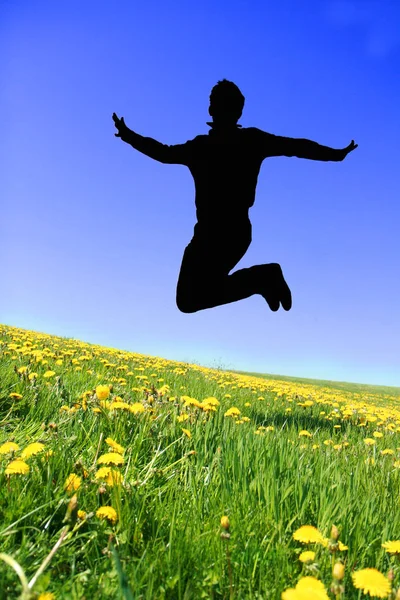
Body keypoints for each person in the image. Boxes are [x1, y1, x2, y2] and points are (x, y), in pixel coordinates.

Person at [113, 79, 358, 314]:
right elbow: (295, 146)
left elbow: (162, 153)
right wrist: (335, 154)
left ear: (214, 109)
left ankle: (263, 278)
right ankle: (261, 279)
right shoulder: (231, 143)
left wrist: (128, 135)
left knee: (189, 300)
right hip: (221, 234)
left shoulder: (225, 144)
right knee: (188, 300)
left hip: (224, 234)